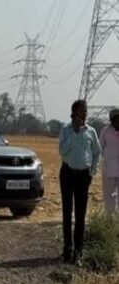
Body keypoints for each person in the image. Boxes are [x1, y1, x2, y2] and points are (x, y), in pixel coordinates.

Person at [59, 100, 100, 264]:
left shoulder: (91, 131)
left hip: (83, 176)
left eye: (85, 111)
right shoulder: (65, 130)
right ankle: (67, 249)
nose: (84, 114)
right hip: (68, 173)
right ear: (74, 112)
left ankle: (78, 251)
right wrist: (75, 133)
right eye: (82, 111)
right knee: (67, 213)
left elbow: (97, 153)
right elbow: (62, 151)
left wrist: (92, 172)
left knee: (81, 215)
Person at [100, 109, 119, 215]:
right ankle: (110, 218)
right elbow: (100, 148)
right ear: (111, 120)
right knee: (109, 196)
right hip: (109, 169)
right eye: (115, 119)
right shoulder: (105, 131)